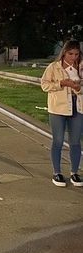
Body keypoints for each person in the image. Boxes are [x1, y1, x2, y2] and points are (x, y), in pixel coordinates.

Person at [41, 40, 83, 187]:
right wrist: (61, 84)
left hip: (78, 107)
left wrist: (77, 88)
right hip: (58, 108)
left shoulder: (81, 67)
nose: (73, 57)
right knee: (58, 140)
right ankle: (57, 172)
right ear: (64, 52)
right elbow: (44, 85)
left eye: (76, 54)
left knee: (75, 142)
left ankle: (74, 172)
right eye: (70, 54)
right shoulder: (54, 67)